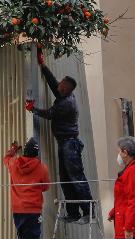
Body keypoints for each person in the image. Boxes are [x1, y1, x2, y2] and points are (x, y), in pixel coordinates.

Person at [28, 51, 93, 221]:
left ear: (65, 89)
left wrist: (32, 109)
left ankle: (88, 211)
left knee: (76, 177)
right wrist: (43, 65)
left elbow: (50, 113)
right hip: (64, 144)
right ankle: (73, 213)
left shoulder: (66, 103)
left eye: (61, 84)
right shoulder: (65, 94)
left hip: (70, 145)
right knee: (65, 179)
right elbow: (52, 83)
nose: (58, 85)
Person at [3, 137, 51, 239]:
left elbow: (6, 158)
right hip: (33, 211)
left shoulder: (14, 163)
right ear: (36, 154)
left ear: (24, 151)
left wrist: (13, 149)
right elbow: (46, 187)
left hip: (18, 210)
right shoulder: (42, 168)